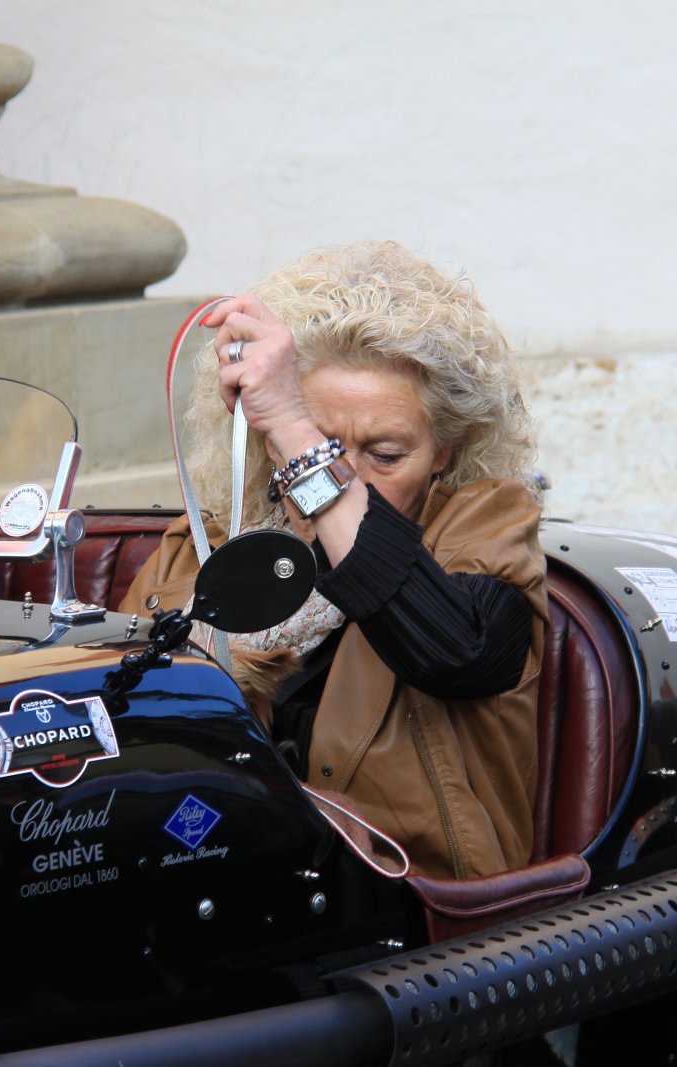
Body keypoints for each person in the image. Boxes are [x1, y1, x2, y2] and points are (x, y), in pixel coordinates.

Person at [122, 241, 546, 880]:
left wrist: (299, 432)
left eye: (385, 454)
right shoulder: (206, 550)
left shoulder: (484, 528)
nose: (352, 478)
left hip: (406, 901)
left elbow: (453, 651)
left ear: (444, 451)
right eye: (323, 445)